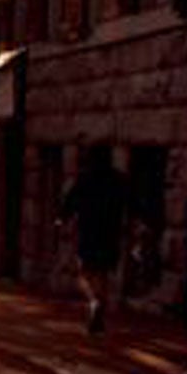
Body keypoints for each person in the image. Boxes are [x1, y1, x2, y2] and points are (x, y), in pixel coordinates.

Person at [59, 142, 128, 333]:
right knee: (102, 273)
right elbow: (131, 202)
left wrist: (62, 218)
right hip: (110, 233)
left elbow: (70, 200)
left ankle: (94, 301)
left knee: (83, 273)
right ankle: (97, 307)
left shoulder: (85, 178)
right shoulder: (119, 179)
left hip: (88, 231)